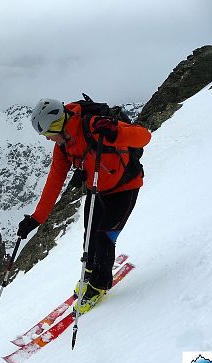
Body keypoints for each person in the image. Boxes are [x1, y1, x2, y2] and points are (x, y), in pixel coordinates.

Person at [17, 98, 151, 314]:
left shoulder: (94, 126)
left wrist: (115, 132)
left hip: (125, 188)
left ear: (57, 125)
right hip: (97, 189)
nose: (49, 140)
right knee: (89, 234)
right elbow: (54, 182)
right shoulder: (63, 146)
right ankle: (89, 271)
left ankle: (98, 285)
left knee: (103, 237)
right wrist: (35, 219)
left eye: (48, 134)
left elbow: (144, 137)